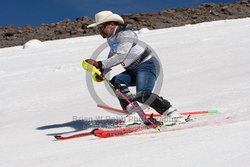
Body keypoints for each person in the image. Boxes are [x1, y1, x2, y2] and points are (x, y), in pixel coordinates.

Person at [85, 11, 183, 125]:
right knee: (116, 82)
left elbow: (121, 56)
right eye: (98, 28)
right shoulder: (112, 37)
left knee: (143, 95)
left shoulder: (125, 34)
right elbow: (113, 54)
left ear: (112, 24)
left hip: (147, 65)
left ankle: (173, 114)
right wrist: (103, 70)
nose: (100, 31)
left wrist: (100, 64)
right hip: (133, 69)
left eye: (101, 27)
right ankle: (135, 115)